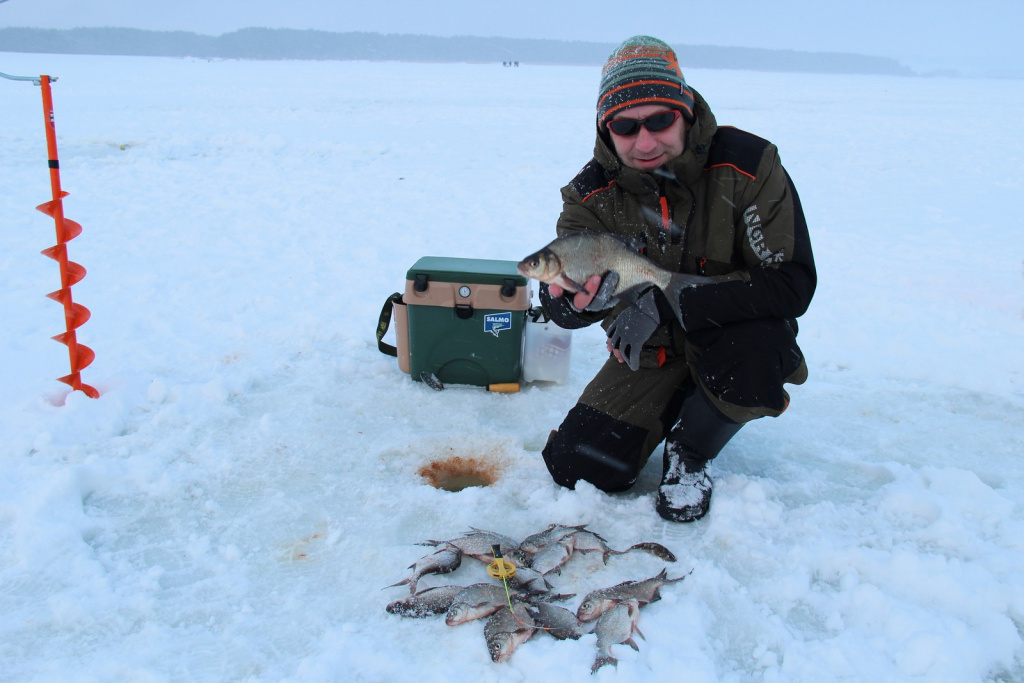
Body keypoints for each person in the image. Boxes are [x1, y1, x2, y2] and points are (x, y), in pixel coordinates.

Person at [539, 36, 816, 523]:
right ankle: (680, 394)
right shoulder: (589, 195)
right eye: (625, 126)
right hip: (648, 351)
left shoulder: (748, 166)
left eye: (659, 120)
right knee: (577, 466)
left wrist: (668, 302)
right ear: (607, 130)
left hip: (732, 334)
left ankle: (691, 450)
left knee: (760, 353)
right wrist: (570, 303)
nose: (644, 143)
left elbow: (791, 283)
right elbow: (564, 290)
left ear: (685, 110)